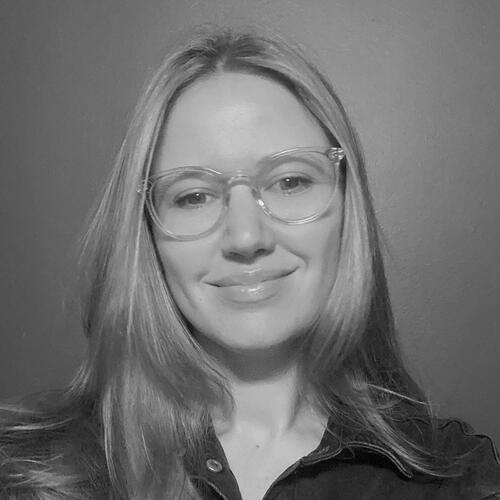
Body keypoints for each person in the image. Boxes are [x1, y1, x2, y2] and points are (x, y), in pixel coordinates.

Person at [1, 25, 499, 500]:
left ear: (349, 207)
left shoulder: (458, 480)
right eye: (194, 196)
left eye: (290, 182)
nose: (245, 237)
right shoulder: (24, 473)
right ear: (147, 233)